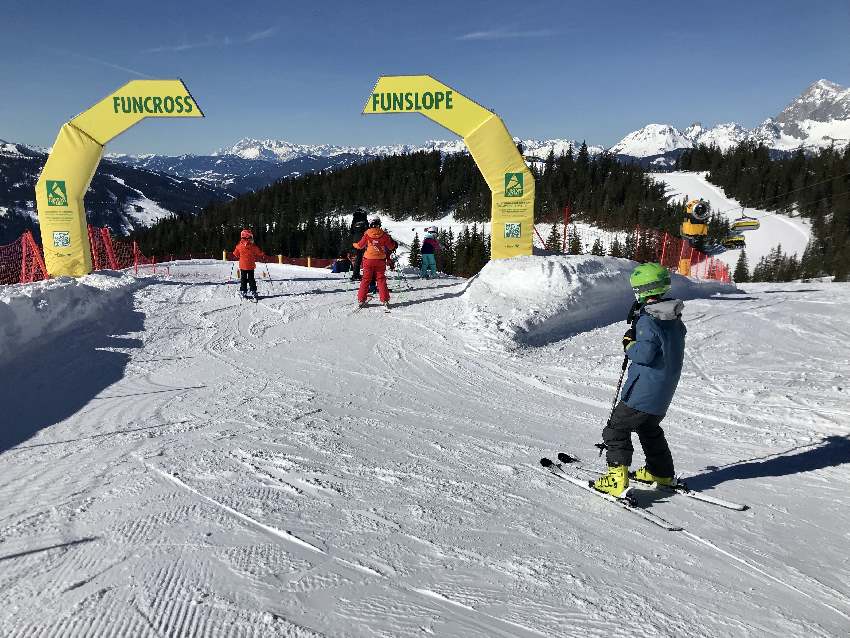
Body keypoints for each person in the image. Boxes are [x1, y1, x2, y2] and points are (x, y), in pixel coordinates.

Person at [593, 263, 686, 497]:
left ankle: (616, 478)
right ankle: (661, 472)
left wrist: (629, 343)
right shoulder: (673, 317)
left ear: (644, 290)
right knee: (649, 428)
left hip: (643, 390)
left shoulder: (648, 319)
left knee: (616, 428)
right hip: (663, 391)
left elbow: (643, 354)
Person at [352, 217, 397, 309]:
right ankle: (385, 300)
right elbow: (391, 247)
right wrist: (394, 244)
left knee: (365, 280)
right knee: (381, 280)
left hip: (368, 260)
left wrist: (354, 244)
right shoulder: (384, 235)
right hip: (380, 261)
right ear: (379, 224)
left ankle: (361, 300)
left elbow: (360, 246)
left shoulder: (367, 234)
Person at [232, 229, 268, 299]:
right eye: (251, 237)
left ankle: (243, 291)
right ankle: (253, 291)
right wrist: (262, 254)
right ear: (247, 237)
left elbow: (235, 254)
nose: (252, 239)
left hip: (243, 266)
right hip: (251, 266)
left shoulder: (239, 245)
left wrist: (239, 255)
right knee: (251, 278)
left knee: (243, 279)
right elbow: (259, 253)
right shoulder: (253, 246)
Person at [349, 208, 369, 281]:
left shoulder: (354, 219)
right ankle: (367, 274)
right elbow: (368, 230)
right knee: (366, 258)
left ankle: (355, 274)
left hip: (355, 241)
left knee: (358, 258)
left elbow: (351, 231)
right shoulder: (364, 219)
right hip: (364, 240)